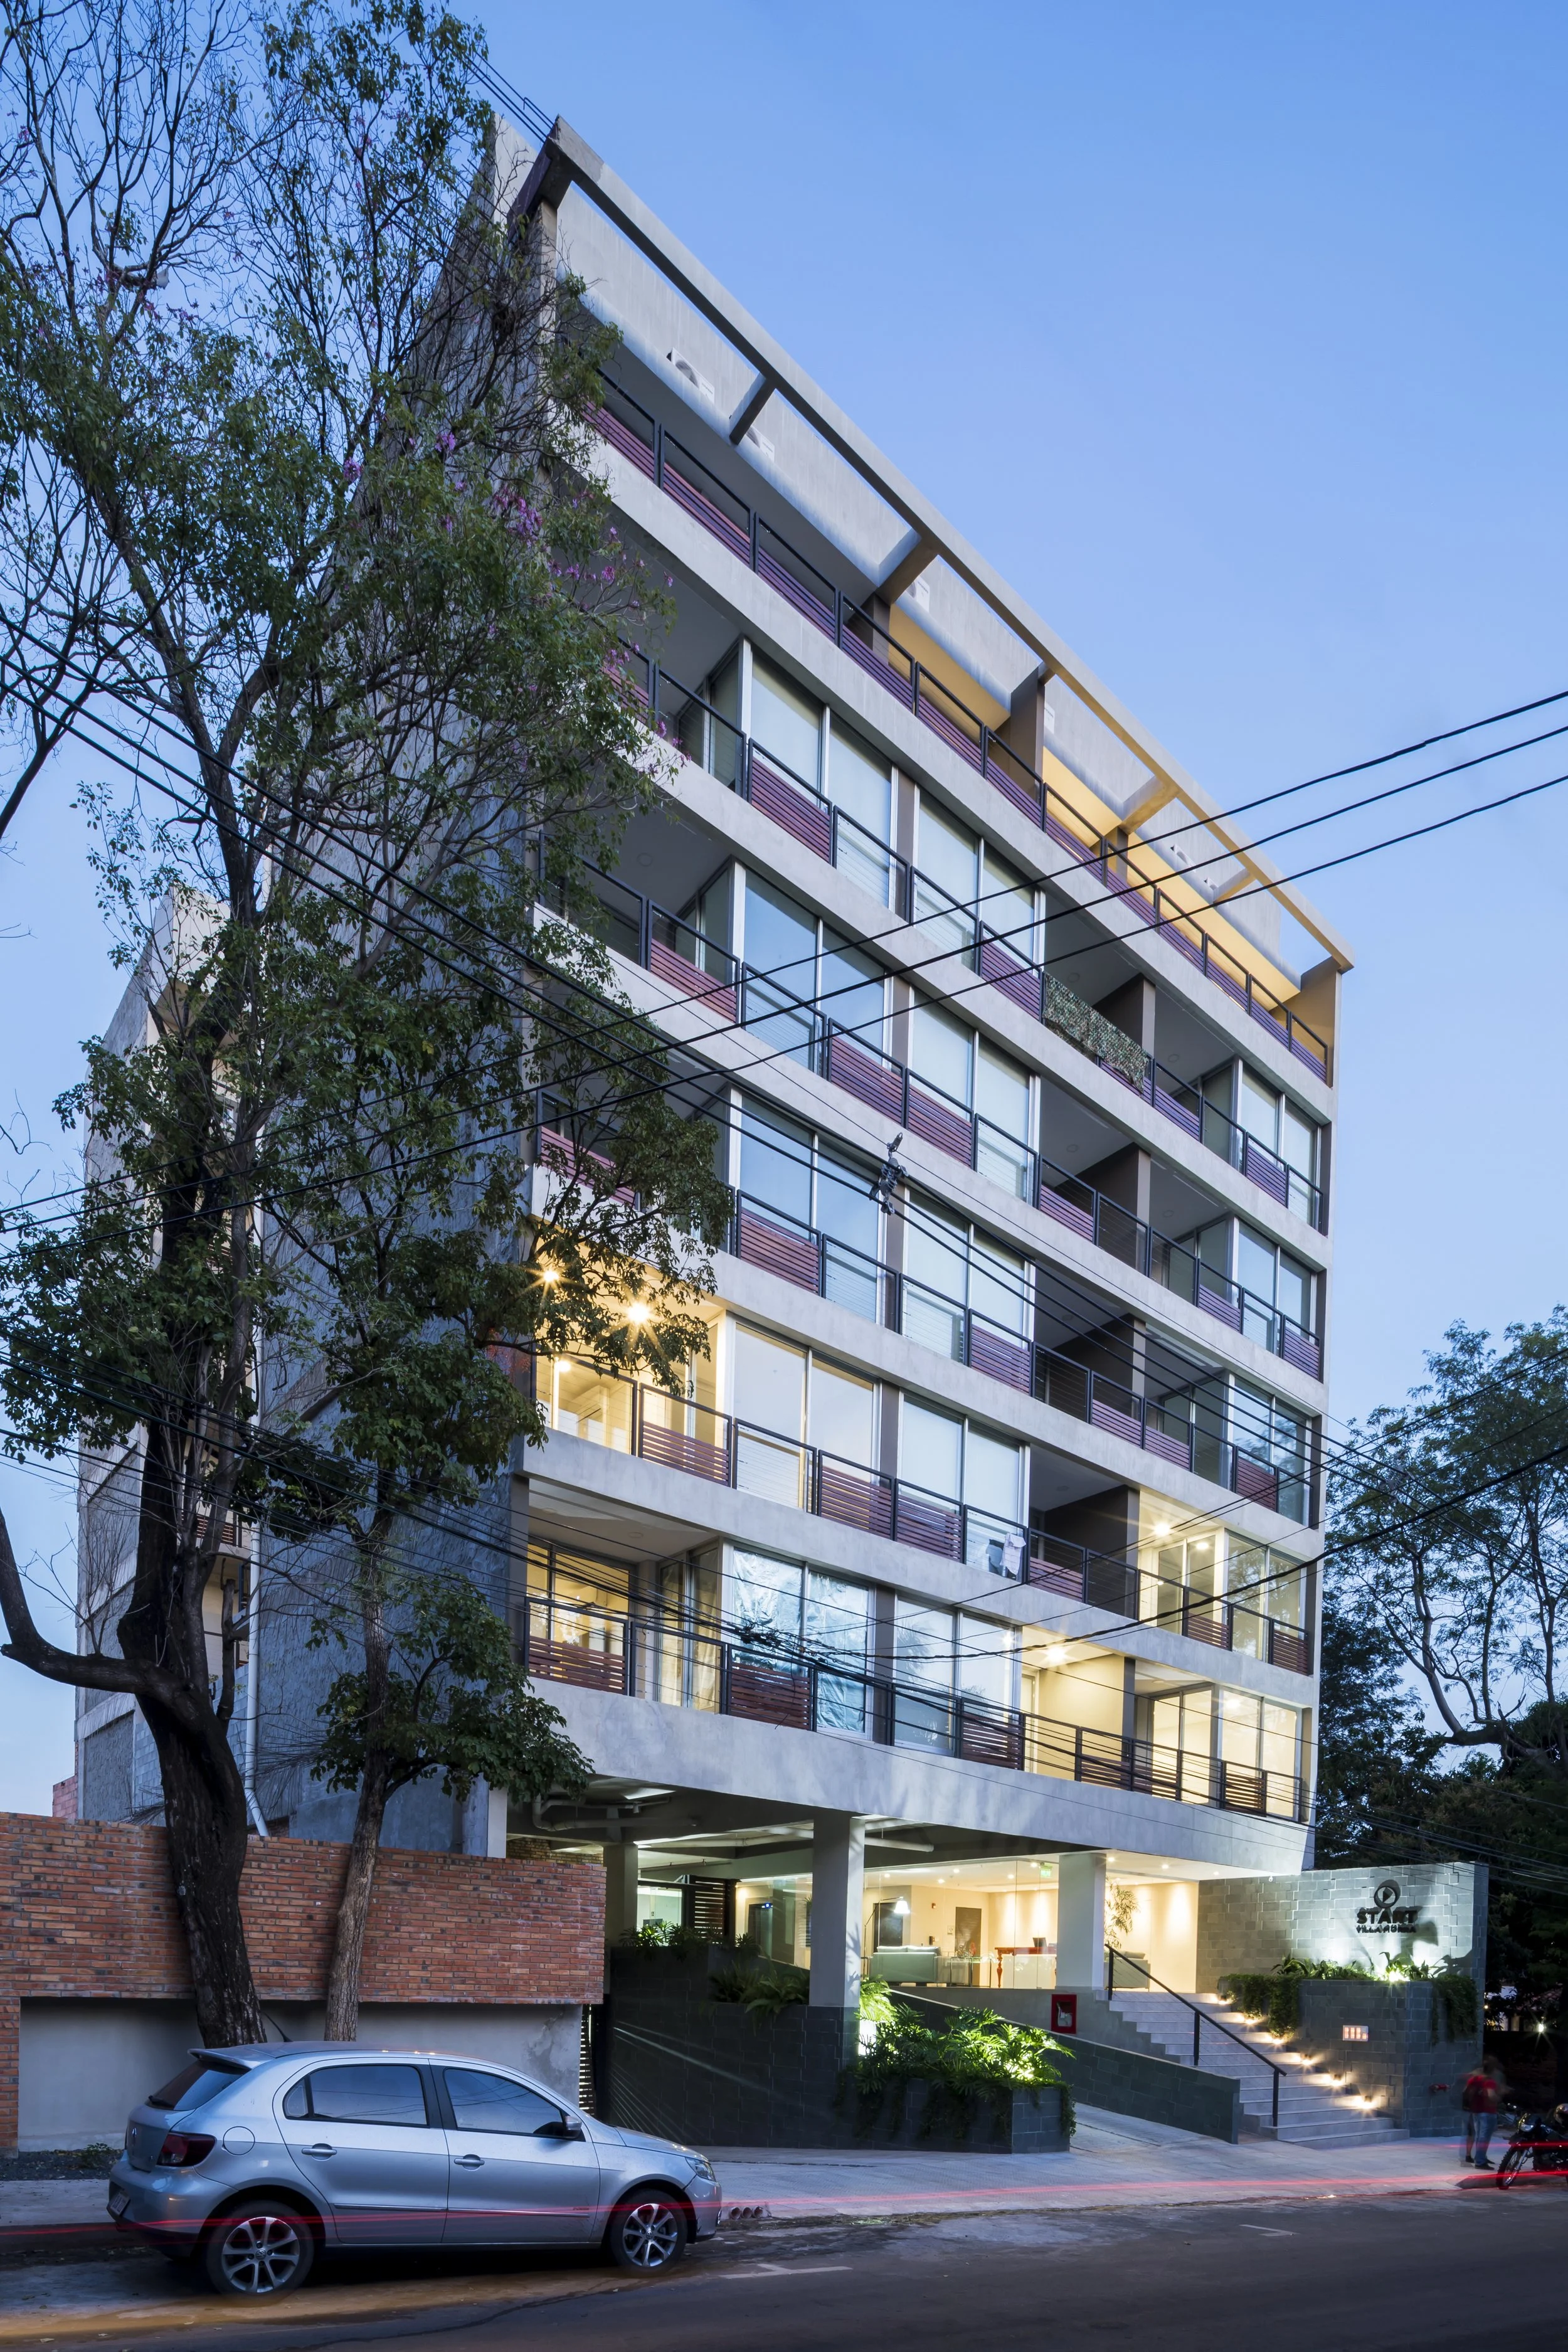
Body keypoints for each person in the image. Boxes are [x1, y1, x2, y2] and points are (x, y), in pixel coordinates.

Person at [1461, 2055, 1507, 2168]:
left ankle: (1480, 2158)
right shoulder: (1489, 2081)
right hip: (1488, 2112)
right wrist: (1499, 2097)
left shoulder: (1474, 2079)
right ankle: (1480, 2161)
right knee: (1484, 2137)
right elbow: (1491, 2096)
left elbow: (1465, 2091)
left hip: (1476, 2110)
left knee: (1478, 2136)